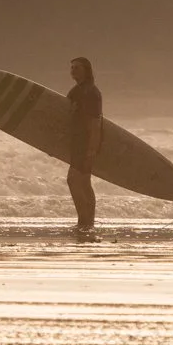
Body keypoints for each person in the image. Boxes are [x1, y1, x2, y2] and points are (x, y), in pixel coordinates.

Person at [66, 56, 103, 237]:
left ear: (86, 70)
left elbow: (95, 123)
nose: (73, 70)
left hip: (85, 143)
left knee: (74, 180)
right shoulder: (76, 91)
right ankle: (87, 223)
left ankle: (84, 222)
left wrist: (92, 148)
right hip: (76, 142)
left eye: (77, 68)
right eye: (72, 68)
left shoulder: (91, 92)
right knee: (83, 182)